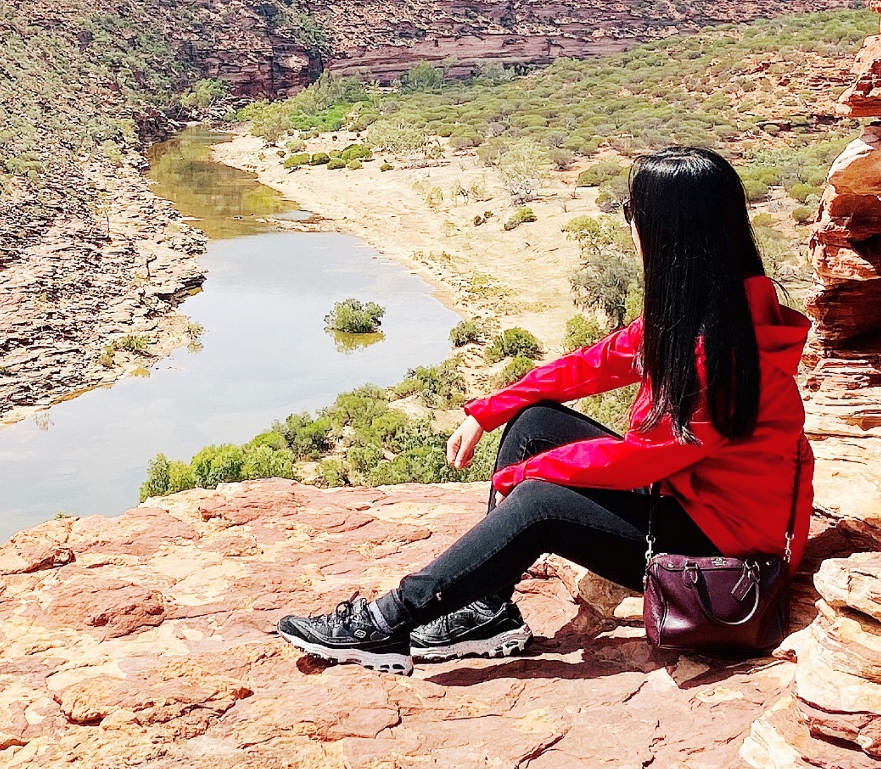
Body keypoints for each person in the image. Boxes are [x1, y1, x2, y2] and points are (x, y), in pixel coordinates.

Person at [276, 145, 811, 674]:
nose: (629, 225)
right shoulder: (719, 310)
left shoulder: (720, 356)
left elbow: (639, 462)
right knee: (533, 423)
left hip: (717, 556)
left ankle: (387, 621)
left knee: (539, 503)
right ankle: (486, 610)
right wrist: (489, 409)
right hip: (690, 502)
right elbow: (594, 364)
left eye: (632, 212)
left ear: (669, 232)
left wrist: (528, 474)